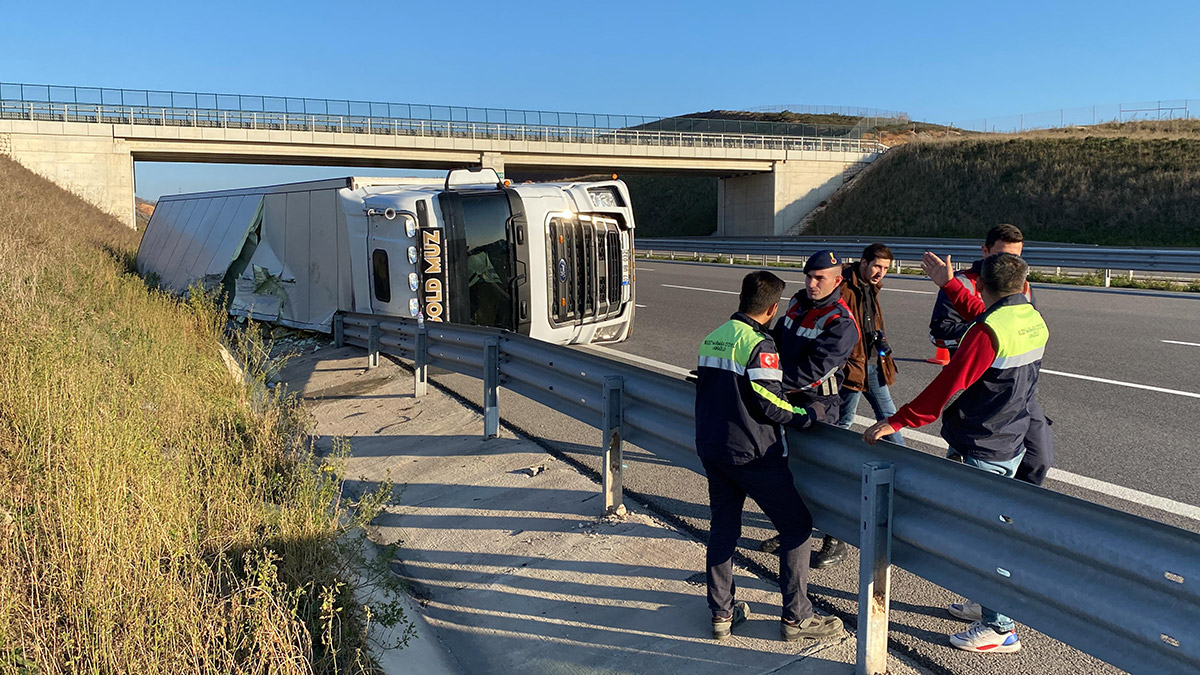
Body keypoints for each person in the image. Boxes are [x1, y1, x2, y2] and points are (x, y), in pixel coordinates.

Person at [864, 253, 1048, 654]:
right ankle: (986, 602)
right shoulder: (1030, 316)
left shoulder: (986, 333)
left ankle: (999, 627)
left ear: (980, 284)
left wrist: (897, 421)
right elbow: (990, 315)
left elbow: (947, 384)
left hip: (983, 441)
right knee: (988, 529)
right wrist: (950, 285)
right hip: (1012, 437)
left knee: (979, 537)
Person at [695, 270, 843, 643]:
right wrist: (806, 417)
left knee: (724, 527)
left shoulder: (713, 336)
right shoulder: (760, 344)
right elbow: (768, 401)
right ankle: (797, 619)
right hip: (753, 453)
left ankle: (721, 615)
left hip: (712, 447)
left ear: (742, 298)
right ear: (773, 309)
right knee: (796, 526)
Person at [924, 223, 1054, 486]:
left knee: (1039, 459)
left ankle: (1014, 515)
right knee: (980, 463)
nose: (1010, 262)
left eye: (1016, 256)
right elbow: (939, 331)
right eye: (1002, 255)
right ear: (985, 251)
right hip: (977, 386)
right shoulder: (963, 282)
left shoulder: (1021, 282)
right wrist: (984, 338)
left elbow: (1021, 320)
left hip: (1019, 388)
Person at [770, 250, 860, 569]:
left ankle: (835, 541)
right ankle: (794, 530)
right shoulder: (796, 304)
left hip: (819, 405)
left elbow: (814, 371)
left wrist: (769, 384)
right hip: (786, 398)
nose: (811, 283)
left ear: (837, 281)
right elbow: (775, 340)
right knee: (788, 472)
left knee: (822, 476)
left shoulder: (840, 322)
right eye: (809, 277)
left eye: (819, 278)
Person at [834, 244, 905, 446]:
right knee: (844, 420)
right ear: (864, 262)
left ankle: (904, 461)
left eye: (885, 269)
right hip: (853, 364)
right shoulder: (844, 285)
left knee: (889, 417)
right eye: (877, 267)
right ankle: (829, 460)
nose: (881, 273)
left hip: (874, 360)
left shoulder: (870, 285)